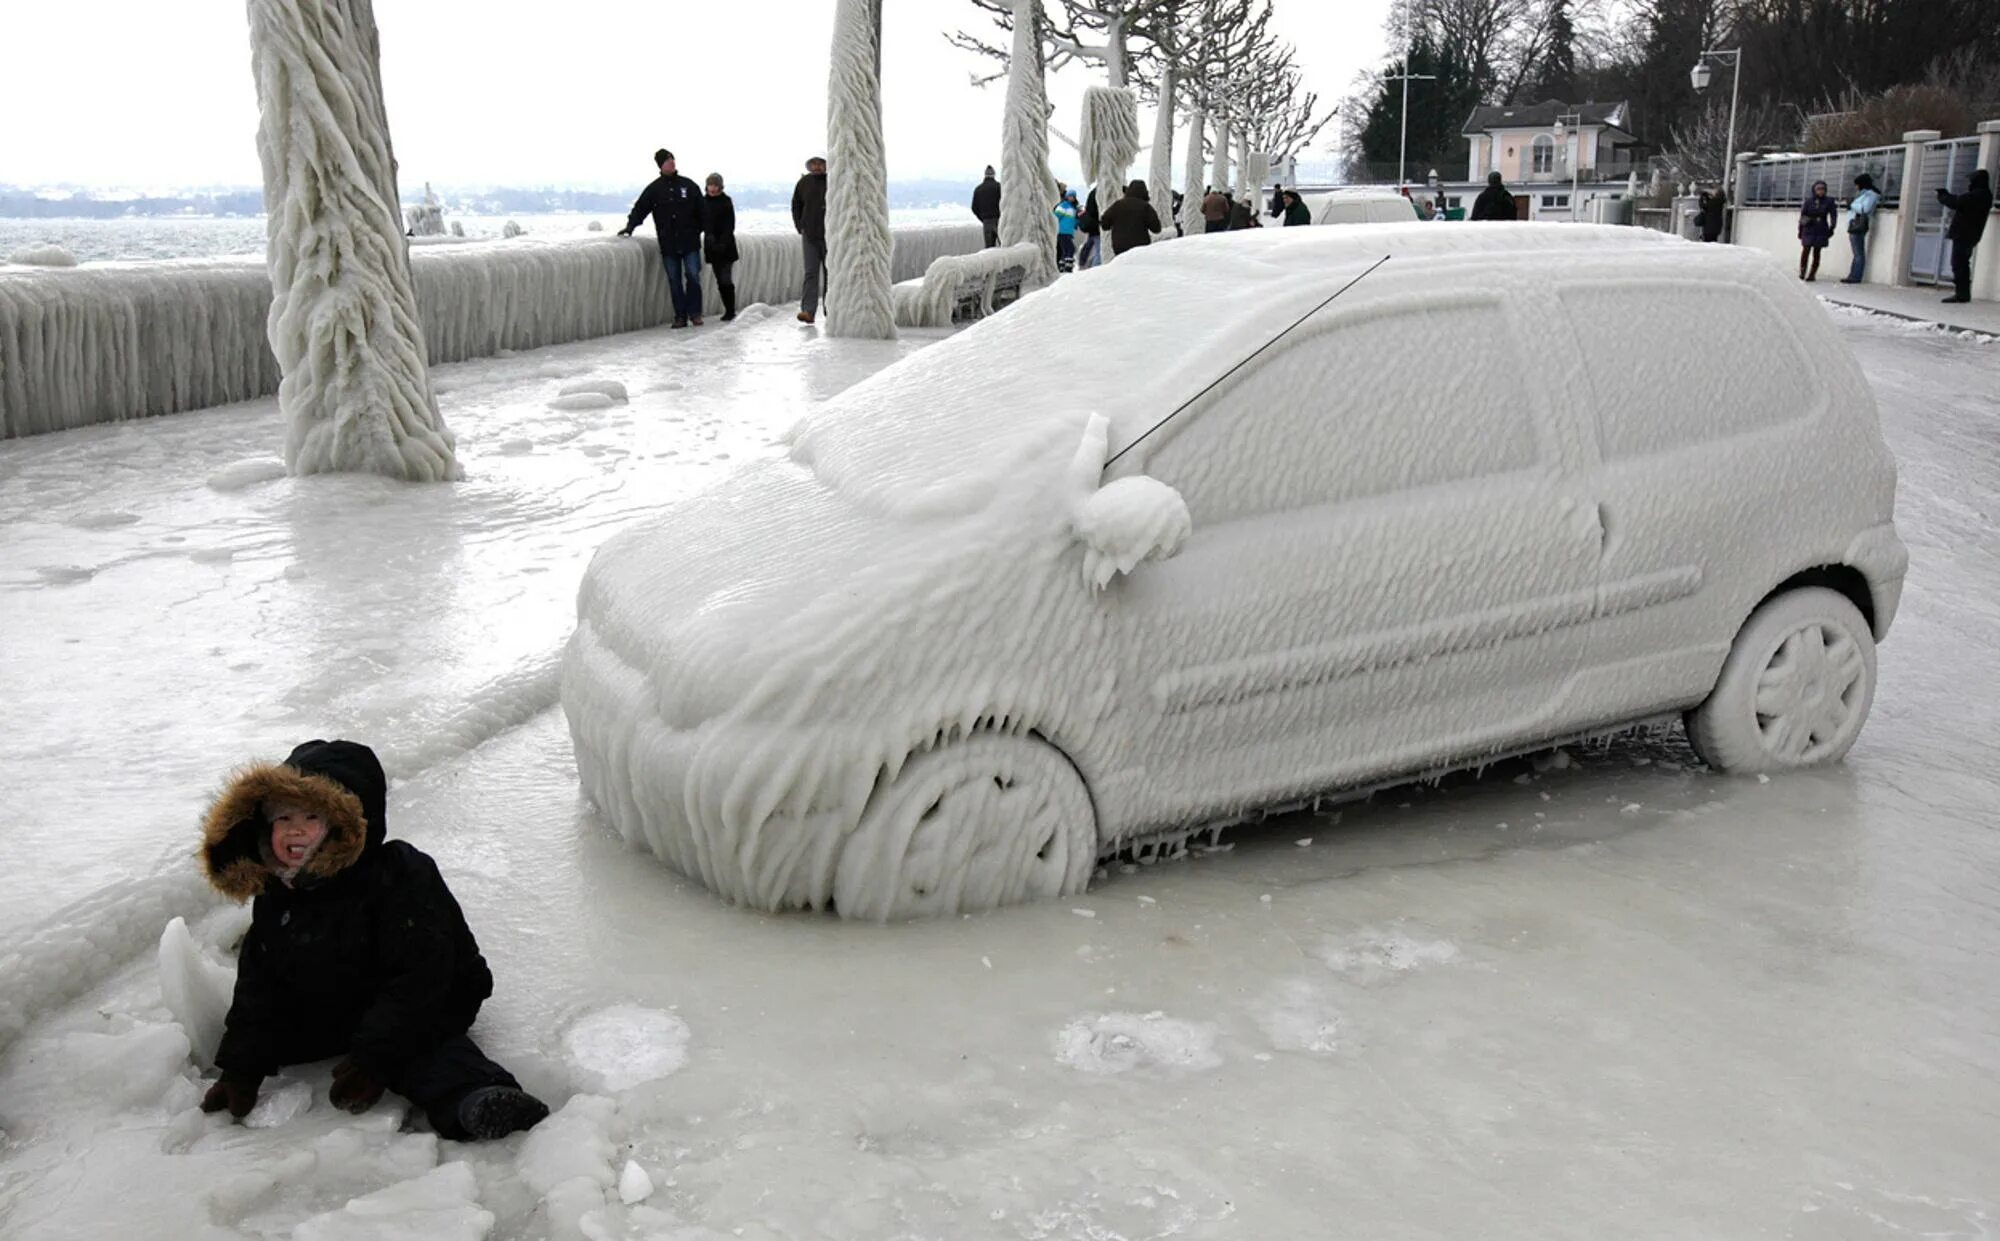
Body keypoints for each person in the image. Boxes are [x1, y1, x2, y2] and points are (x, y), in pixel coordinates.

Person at [197, 740, 548, 1141]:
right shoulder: (279, 895)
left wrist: (374, 1058)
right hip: (341, 1000)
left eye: (311, 816)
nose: (295, 829)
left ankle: (478, 1098)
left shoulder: (398, 876)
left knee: (424, 1050)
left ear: (344, 824)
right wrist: (240, 1069)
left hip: (429, 995)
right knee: (276, 1033)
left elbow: (421, 976)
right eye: (283, 818)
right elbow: (259, 986)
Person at [619, 148, 705, 328]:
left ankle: (695, 313)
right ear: (661, 165)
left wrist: (702, 229)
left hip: (689, 241)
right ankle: (680, 316)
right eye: (667, 160)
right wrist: (630, 227)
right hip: (669, 243)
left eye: (673, 159)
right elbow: (640, 209)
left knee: (693, 276)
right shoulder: (654, 189)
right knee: (674, 281)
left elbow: (703, 210)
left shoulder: (688, 186)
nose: (672, 162)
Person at [1935, 168, 1992, 305]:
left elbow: (1958, 202)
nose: (1970, 182)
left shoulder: (1980, 195)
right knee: (1960, 263)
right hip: (1968, 233)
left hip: (1965, 234)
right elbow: (1960, 201)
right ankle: (1962, 292)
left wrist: (1943, 197)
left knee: (1959, 264)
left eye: (1972, 180)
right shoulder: (1980, 194)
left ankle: (1962, 294)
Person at [791, 156, 828, 324]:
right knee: (810, 273)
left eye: (820, 163)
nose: (817, 167)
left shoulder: (834, 180)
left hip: (831, 235)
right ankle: (808, 311)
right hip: (810, 235)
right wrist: (800, 227)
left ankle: (831, 309)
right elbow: (796, 206)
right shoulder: (804, 183)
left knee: (831, 273)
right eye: (813, 164)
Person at [702, 173, 739, 322]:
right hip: (711, 246)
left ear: (720, 186)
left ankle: (730, 310)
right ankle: (728, 309)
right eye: (710, 185)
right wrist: (709, 236)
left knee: (725, 279)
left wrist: (722, 242)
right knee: (720, 279)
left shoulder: (726, 201)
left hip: (726, 246)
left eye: (715, 185)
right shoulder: (703, 202)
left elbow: (730, 224)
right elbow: (701, 222)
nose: (712, 188)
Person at [1099, 179, 1161, 257]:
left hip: (1120, 249)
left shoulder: (1117, 205)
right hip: (1141, 249)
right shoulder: (1145, 207)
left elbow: (1104, 224)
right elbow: (1156, 229)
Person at [1839, 172, 1879, 284]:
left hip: (1859, 226)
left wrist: (1851, 204)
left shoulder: (1871, 195)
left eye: (1857, 184)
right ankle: (1853, 275)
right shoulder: (1862, 194)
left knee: (1858, 253)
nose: (1856, 187)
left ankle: (1856, 276)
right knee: (1856, 252)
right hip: (1854, 225)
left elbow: (1864, 209)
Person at [1797, 179, 1837, 282]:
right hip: (1809, 227)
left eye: (1823, 189)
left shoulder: (1829, 201)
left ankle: (1812, 274)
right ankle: (1802, 271)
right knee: (1806, 250)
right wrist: (1800, 230)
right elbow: (1803, 215)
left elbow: (1833, 214)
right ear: (1814, 190)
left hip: (1821, 228)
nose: (1821, 191)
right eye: (1818, 189)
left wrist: (1832, 226)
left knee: (1817, 251)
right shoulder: (1809, 201)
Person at [972, 165, 1002, 248]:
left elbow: (974, 208)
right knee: (1004, 246)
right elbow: (1004, 203)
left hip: (986, 222)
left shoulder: (978, 189)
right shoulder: (999, 187)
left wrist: (983, 218)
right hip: (999, 220)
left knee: (989, 248)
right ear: (994, 174)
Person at [1053, 189, 1079, 272]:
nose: (1072, 198)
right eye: (1070, 196)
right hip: (1062, 231)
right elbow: (1056, 216)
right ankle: (1068, 265)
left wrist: (1076, 223)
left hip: (1069, 232)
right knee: (1070, 248)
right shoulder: (1063, 205)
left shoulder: (1073, 208)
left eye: (1073, 196)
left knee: (1065, 249)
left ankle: (1062, 265)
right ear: (1067, 197)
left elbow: (1073, 220)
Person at [1077, 186, 1103, 268]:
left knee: (1089, 248)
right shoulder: (1099, 193)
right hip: (1097, 228)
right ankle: (1095, 270)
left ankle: (1083, 265)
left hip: (1092, 228)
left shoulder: (1093, 193)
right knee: (1099, 252)